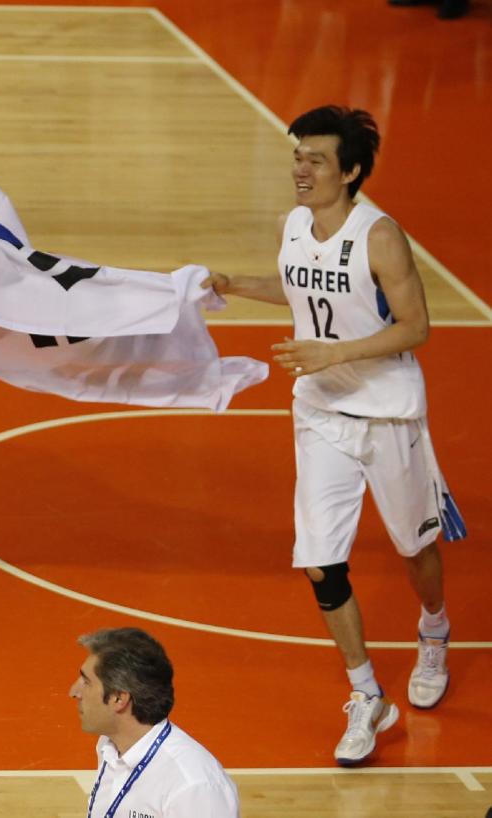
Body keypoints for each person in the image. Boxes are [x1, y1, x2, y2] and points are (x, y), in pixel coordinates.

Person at [202, 105, 465, 765]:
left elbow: (416, 328)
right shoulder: (296, 225)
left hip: (387, 411)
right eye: (298, 155)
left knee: (413, 547)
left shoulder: (381, 237)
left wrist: (333, 354)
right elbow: (298, 291)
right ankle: (366, 693)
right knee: (319, 559)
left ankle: (433, 626)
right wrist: (234, 285)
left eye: (315, 159)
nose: (301, 169)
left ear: (349, 171)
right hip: (320, 410)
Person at [70, 628, 239, 817]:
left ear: (119, 698)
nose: (74, 691)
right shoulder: (109, 746)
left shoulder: (194, 787)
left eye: (86, 682)